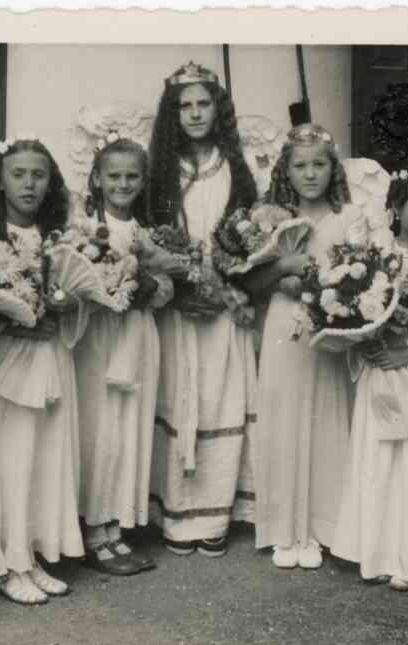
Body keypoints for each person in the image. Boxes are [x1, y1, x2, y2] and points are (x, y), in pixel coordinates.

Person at [147, 61, 259, 557]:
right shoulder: (161, 168)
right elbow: (149, 236)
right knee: (178, 396)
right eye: (184, 105)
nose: (194, 113)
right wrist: (180, 280)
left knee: (220, 397)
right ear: (172, 113)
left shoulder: (236, 167)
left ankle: (214, 512)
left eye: (203, 103)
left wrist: (224, 281)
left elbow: (252, 234)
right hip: (177, 303)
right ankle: (173, 511)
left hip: (224, 302)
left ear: (219, 109)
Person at [0, 136, 87, 604]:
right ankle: (3, 561)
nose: (29, 184)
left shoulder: (59, 239)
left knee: (40, 457)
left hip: (50, 356)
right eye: (18, 174)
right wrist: (14, 320)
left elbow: (80, 297)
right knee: (7, 459)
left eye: (38, 175)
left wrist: (64, 305)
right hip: (3, 364)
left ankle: (30, 553)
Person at [328, 163, 408, 590]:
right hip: (378, 366)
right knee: (378, 458)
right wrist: (364, 338)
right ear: (396, 208)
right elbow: (355, 305)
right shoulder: (375, 257)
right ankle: (375, 550)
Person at [240, 124, 355, 570]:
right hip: (284, 326)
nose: (311, 174)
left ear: (333, 169)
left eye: (319, 164)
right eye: (300, 165)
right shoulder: (271, 219)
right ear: (286, 170)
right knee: (284, 417)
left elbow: (361, 274)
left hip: (329, 330)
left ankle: (322, 528)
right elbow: (251, 279)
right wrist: (284, 268)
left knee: (326, 416)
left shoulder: (348, 219)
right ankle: (285, 529)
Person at [74, 135, 174, 576]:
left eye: (132, 176)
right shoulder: (85, 230)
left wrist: (151, 285)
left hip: (137, 334)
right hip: (102, 338)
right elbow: (83, 282)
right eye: (114, 176)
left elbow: (163, 288)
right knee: (103, 429)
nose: (123, 184)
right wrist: (120, 285)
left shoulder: (144, 233)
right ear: (97, 178)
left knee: (130, 427)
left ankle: (118, 528)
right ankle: (96, 530)